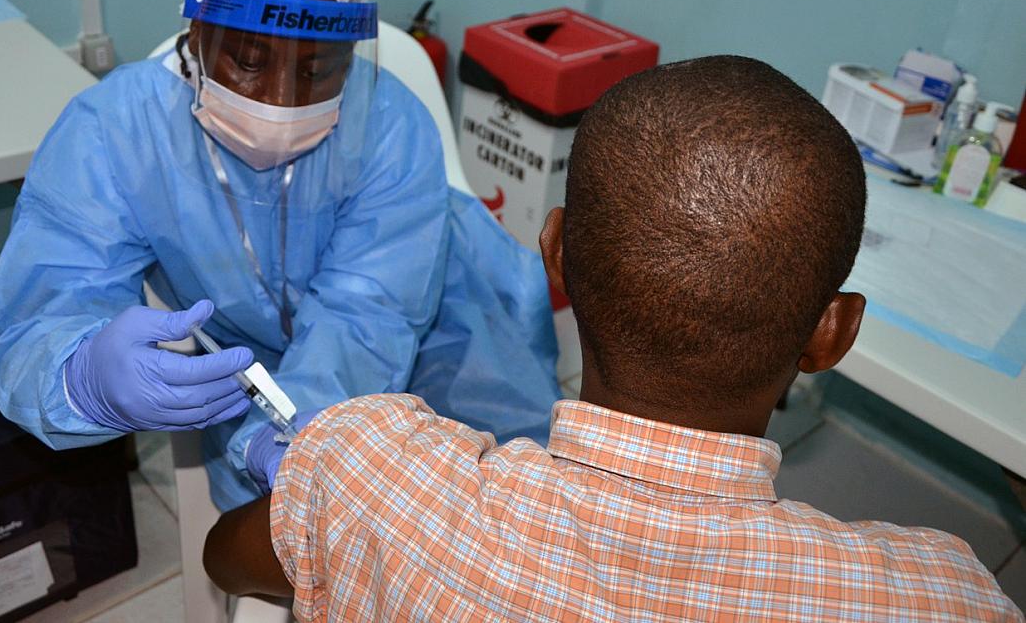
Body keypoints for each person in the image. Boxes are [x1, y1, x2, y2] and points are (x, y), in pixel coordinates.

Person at [202, 56, 1023, 621]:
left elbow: (225, 558)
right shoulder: (942, 599)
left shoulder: (370, 470)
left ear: (554, 252)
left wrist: (320, 478)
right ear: (830, 335)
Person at [0, 0, 559, 510]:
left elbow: (370, 311)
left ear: (354, 61)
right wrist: (82, 377)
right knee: (290, 532)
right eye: (249, 60)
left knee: (505, 500)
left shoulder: (389, 123)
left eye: (319, 70)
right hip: (245, 363)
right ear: (198, 34)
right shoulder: (116, 130)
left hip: (435, 323)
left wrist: (304, 427)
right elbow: (44, 311)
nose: (280, 100)